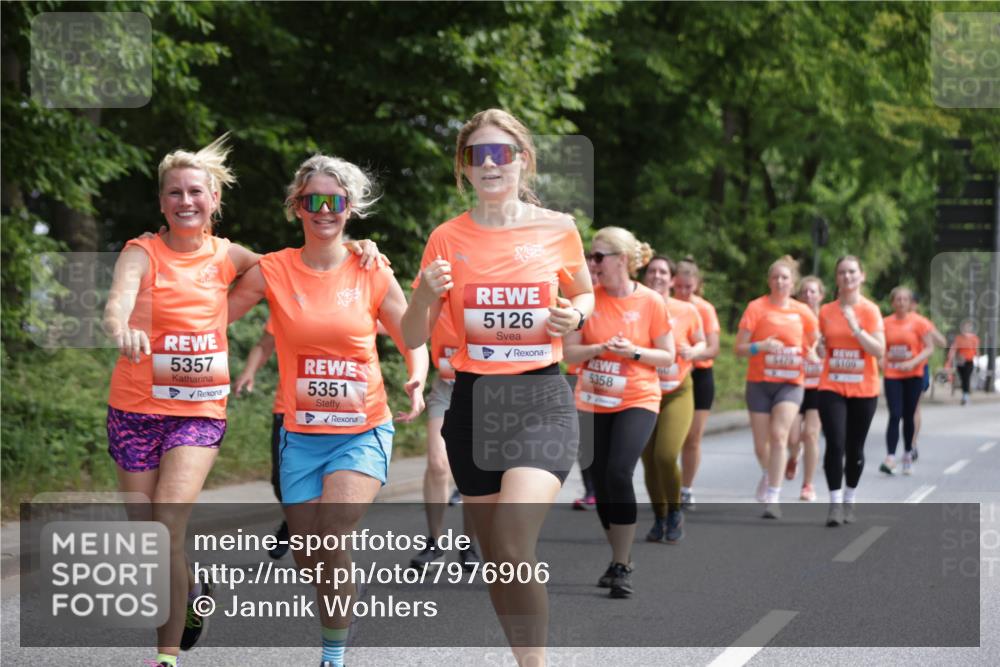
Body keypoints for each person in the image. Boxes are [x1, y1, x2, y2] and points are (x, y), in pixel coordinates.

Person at [402, 108, 593, 667]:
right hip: (474, 405)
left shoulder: (557, 228)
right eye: (477, 155)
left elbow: (584, 295)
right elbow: (413, 332)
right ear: (464, 167)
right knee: (496, 560)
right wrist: (422, 296)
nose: (490, 164)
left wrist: (574, 316)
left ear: (522, 161)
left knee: (512, 541)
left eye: (501, 153)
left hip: (541, 401)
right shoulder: (446, 237)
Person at [227, 154, 428, 667]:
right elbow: (209, 313)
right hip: (300, 434)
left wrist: (419, 370)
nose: (324, 211)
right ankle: (336, 619)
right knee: (307, 553)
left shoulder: (371, 268)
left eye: (334, 201)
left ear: (350, 208)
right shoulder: (272, 270)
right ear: (297, 207)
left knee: (333, 528)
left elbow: (410, 333)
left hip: (361, 429)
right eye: (312, 200)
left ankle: (332, 657)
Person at [103, 135, 255, 667]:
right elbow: (118, 299)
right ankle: (190, 590)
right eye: (175, 193)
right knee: (151, 542)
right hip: (134, 408)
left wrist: (357, 250)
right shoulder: (142, 251)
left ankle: (165, 657)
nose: (185, 201)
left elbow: (286, 272)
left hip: (198, 411)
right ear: (162, 202)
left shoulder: (229, 255)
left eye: (196, 191)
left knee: (168, 520)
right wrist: (122, 327)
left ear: (214, 198)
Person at [564, 228, 674, 598]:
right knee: (599, 477)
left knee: (618, 471)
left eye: (598, 257)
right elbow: (570, 354)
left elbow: (667, 355)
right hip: (592, 400)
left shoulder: (651, 302)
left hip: (637, 399)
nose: (592, 264)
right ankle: (616, 556)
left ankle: (623, 562)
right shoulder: (587, 301)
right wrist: (597, 347)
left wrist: (633, 352)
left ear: (622, 260)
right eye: (590, 257)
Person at [735, 256, 818, 518]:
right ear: (769, 281)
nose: (780, 281)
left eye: (785, 277)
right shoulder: (756, 308)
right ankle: (768, 472)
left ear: (792, 283)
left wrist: (813, 354)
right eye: (775, 277)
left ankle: (774, 497)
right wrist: (762, 346)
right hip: (759, 383)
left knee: (780, 435)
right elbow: (739, 348)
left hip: (790, 383)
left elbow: (816, 343)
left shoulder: (802, 312)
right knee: (762, 446)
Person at [409, 305, 481, 571]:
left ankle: (469, 544)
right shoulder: (436, 305)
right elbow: (408, 330)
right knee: (438, 464)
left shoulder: (481, 301)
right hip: (446, 387)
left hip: (480, 390)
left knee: (473, 472)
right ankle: (435, 543)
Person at [818, 255, 885, 527]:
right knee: (835, 443)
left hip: (864, 388)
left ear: (862, 276)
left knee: (854, 448)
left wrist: (855, 327)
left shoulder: (870, 310)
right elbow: (822, 345)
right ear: (836, 278)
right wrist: (820, 349)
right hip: (831, 385)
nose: (847, 277)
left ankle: (849, 498)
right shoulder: (826, 311)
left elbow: (879, 350)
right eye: (842, 273)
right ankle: (834, 503)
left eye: (852, 272)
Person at [641, 255, 703, 542]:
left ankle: (675, 510)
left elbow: (701, 341)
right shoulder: (636, 304)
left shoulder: (686, 309)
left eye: (663, 271)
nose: (657, 275)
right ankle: (660, 516)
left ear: (672, 279)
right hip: (642, 390)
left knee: (665, 455)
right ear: (644, 276)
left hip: (677, 390)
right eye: (652, 270)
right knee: (649, 461)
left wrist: (694, 350)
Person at [673, 257, 720, 510]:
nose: (682, 292)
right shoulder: (664, 305)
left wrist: (692, 352)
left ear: (697, 285)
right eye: (678, 286)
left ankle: (686, 488)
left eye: (688, 288)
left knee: (692, 438)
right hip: (668, 375)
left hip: (699, 375)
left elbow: (713, 349)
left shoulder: (704, 309)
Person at [880, 287, 937, 475]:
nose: (901, 302)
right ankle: (890, 457)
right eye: (898, 299)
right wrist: (882, 361)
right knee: (894, 414)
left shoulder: (919, 322)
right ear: (892, 302)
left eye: (905, 299)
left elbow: (929, 348)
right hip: (892, 374)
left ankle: (907, 453)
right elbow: (881, 348)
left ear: (910, 302)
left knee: (908, 414)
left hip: (913, 374)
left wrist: (912, 362)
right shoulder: (885, 323)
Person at [785, 276, 826, 501]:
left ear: (821, 295)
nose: (808, 296)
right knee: (792, 437)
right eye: (804, 292)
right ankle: (794, 454)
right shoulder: (791, 319)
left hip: (819, 385)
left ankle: (808, 485)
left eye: (813, 292)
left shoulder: (828, 320)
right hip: (794, 382)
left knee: (811, 434)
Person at [946, 319, 980, 405]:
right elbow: (954, 349)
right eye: (965, 327)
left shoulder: (974, 338)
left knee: (966, 378)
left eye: (969, 327)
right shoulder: (959, 338)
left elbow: (976, 350)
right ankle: (965, 394)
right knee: (962, 379)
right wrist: (950, 359)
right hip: (960, 362)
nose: (967, 328)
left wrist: (978, 361)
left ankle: (965, 396)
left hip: (969, 361)